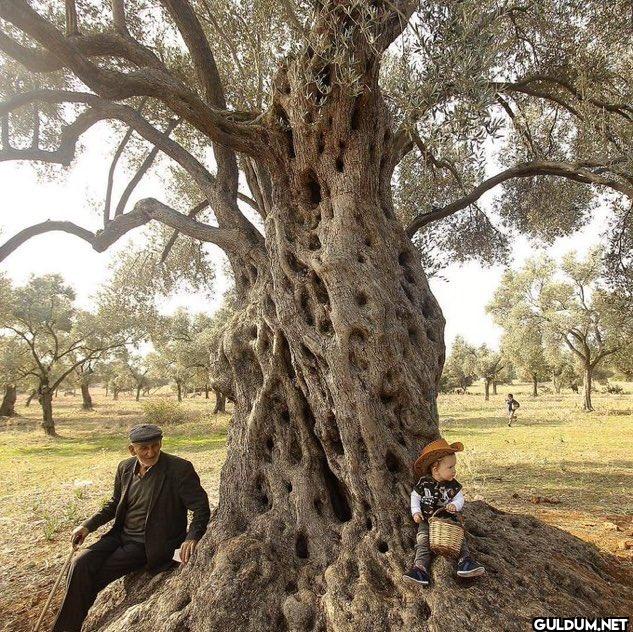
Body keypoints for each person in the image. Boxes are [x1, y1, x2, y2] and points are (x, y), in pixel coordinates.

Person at [53, 424, 211, 632]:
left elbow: (201, 507)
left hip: (149, 544)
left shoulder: (179, 469)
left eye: (156, 446)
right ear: (132, 449)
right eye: (144, 448)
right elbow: (114, 503)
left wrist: (192, 537)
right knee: (79, 563)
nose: (151, 452)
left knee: (89, 577)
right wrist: (86, 526)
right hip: (120, 536)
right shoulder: (125, 467)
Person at [403, 438, 485, 586]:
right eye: (450, 467)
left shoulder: (453, 485)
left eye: (454, 467)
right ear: (435, 469)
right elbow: (415, 497)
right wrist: (416, 512)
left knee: (460, 540)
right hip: (427, 521)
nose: (454, 471)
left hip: (448, 521)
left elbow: (460, 499)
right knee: (422, 542)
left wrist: (455, 505)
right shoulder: (424, 483)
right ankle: (420, 569)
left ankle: (465, 562)